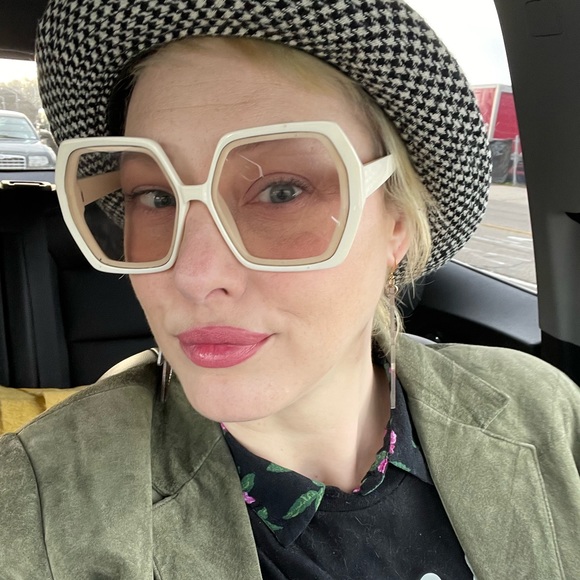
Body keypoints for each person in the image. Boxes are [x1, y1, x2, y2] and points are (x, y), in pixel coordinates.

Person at [0, 1, 578, 578]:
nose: (194, 276)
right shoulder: (35, 507)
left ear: (396, 224)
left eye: (281, 191)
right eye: (156, 197)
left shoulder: (548, 414)